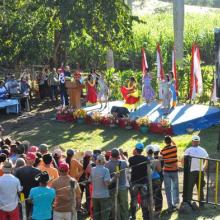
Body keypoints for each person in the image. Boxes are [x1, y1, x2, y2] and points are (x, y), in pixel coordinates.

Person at [184, 135, 209, 206]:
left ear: (192, 141)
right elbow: (207, 158)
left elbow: (183, 159)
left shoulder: (188, 150)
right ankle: (201, 203)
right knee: (200, 187)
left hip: (191, 171)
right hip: (200, 171)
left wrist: (184, 168)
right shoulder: (202, 150)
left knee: (190, 187)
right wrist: (204, 167)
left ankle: (188, 201)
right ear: (199, 142)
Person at [14, 152, 41, 218]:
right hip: (33, 197)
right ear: (34, 160)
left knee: (24, 215)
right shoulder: (38, 171)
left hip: (22, 196)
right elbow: (40, 185)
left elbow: (15, 185)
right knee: (33, 215)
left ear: (26, 159)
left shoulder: (18, 170)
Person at [105, 148, 129, 220]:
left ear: (111, 155)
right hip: (122, 187)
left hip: (112, 188)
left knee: (115, 206)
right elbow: (128, 163)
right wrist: (122, 155)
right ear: (118, 155)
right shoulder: (123, 162)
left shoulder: (107, 164)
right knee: (124, 205)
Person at [89, 154, 115, 220]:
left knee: (96, 215)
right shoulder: (105, 170)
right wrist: (114, 178)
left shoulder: (93, 169)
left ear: (97, 161)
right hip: (104, 196)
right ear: (104, 161)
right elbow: (107, 183)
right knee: (105, 215)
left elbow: (90, 181)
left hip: (95, 195)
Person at [128, 142, 149, 220]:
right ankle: (145, 217)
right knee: (144, 200)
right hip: (143, 182)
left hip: (134, 183)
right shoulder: (146, 159)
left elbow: (128, 167)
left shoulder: (131, 159)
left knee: (134, 200)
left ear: (136, 149)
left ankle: (133, 217)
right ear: (142, 150)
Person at [161, 136, 179, 212]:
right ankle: (176, 204)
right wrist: (172, 140)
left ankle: (170, 206)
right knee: (175, 188)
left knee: (167, 189)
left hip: (166, 171)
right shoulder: (174, 148)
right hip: (174, 171)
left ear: (165, 142)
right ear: (170, 141)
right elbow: (175, 144)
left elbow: (162, 159)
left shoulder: (162, 151)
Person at [146, 145, 162, 215]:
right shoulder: (156, 160)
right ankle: (157, 211)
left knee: (149, 195)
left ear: (146, 152)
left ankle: (150, 210)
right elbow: (159, 170)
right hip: (156, 179)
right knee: (158, 195)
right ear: (153, 152)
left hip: (147, 179)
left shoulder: (145, 159)